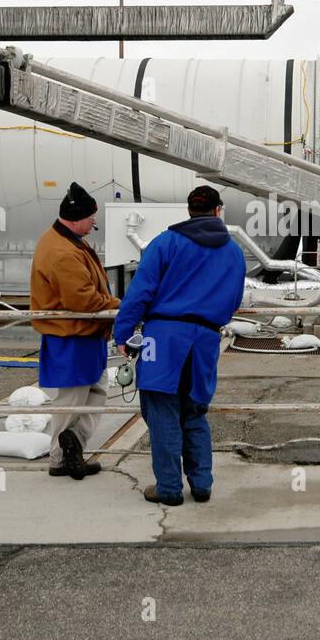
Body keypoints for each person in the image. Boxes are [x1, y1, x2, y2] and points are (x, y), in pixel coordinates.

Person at [113, 185, 247, 506]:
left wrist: (122, 334)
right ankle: (201, 485)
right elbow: (234, 301)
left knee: (162, 411)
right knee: (195, 412)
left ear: (188, 211)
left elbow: (139, 293)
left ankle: (169, 488)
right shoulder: (234, 252)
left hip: (162, 337)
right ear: (218, 211)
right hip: (205, 339)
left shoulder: (165, 243)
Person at [30, 182, 121, 478]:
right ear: (76, 217)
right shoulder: (64, 252)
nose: (95, 221)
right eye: (92, 217)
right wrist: (121, 304)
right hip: (73, 335)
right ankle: (60, 457)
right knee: (72, 400)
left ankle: (72, 448)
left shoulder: (65, 241)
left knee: (95, 391)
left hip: (82, 334)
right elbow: (83, 300)